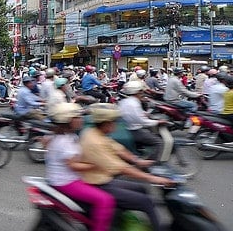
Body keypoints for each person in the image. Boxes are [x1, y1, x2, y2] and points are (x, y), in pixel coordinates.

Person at [80, 103, 174, 231]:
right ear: (107, 123)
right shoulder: (95, 142)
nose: (116, 125)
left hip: (104, 179)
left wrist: (137, 160)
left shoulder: (94, 132)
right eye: (114, 122)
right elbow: (121, 168)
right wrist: (153, 178)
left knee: (141, 189)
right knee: (146, 201)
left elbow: (118, 149)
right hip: (98, 183)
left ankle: (119, 219)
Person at [46, 102, 115, 231]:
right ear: (67, 120)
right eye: (77, 117)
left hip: (69, 179)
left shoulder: (66, 136)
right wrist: (96, 165)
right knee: (105, 200)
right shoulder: (64, 142)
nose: (81, 119)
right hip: (66, 182)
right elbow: (74, 165)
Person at [119, 81, 164, 162]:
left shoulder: (125, 101)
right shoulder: (134, 103)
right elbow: (142, 121)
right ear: (137, 92)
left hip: (127, 127)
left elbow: (137, 115)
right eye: (141, 91)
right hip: (134, 130)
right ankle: (151, 165)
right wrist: (158, 122)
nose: (142, 93)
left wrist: (145, 114)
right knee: (159, 142)